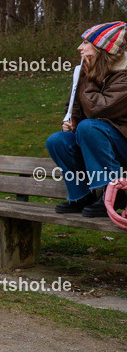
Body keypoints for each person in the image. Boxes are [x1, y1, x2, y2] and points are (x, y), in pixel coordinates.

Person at [46, 21, 127, 217]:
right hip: (100, 138)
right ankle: (81, 196)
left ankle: (117, 193)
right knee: (57, 141)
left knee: (89, 127)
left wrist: (86, 78)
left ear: (101, 48)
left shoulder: (124, 76)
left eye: (85, 42)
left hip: (122, 145)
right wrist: (71, 121)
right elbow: (75, 106)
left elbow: (98, 109)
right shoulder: (90, 68)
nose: (79, 48)